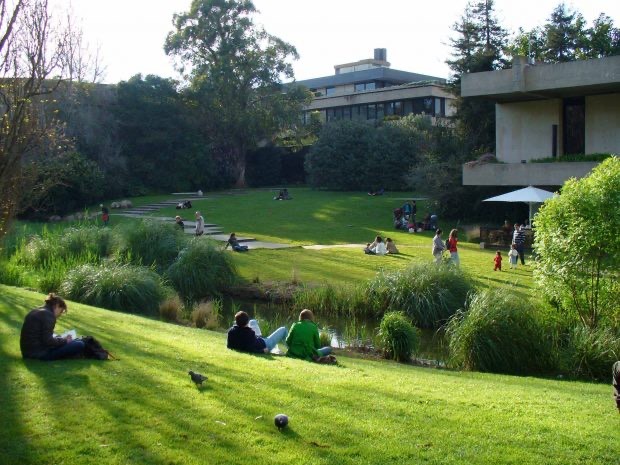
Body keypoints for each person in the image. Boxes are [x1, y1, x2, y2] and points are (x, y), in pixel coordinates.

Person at [20, 294, 85, 361]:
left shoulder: (35, 311)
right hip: (40, 354)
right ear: (57, 306)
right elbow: (48, 341)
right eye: (61, 311)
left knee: (69, 340)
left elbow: (44, 337)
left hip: (27, 352)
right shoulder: (49, 315)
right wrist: (65, 341)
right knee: (79, 344)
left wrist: (61, 339)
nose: (60, 314)